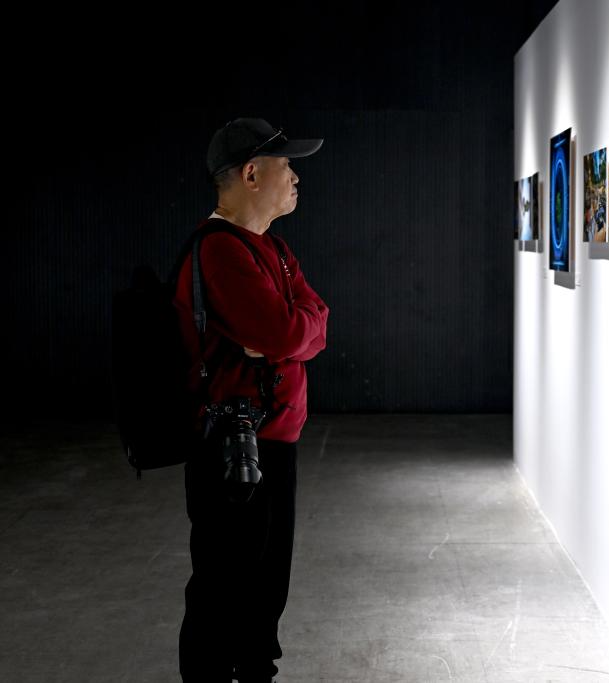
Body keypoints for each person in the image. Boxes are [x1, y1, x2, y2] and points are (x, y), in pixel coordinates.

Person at [173, 117, 329, 683]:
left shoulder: (275, 249)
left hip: (275, 442)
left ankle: (257, 671)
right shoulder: (220, 251)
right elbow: (286, 332)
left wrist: (290, 333)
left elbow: (315, 323)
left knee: (266, 586)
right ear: (251, 174)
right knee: (223, 588)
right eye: (286, 166)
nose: (295, 178)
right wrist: (290, 333)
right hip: (231, 448)